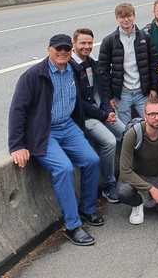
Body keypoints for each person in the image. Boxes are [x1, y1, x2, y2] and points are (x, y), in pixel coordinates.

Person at [8, 34, 102, 246]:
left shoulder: (74, 70)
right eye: (58, 48)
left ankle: (87, 210)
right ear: (49, 49)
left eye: (67, 49)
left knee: (92, 160)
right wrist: (16, 145)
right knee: (64, 169)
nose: (63, 52)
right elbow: (17, 111)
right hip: (43, 132)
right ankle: (73, 226)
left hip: (67, 126)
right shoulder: (33, 76)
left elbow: (80, 102)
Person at [72, 28, 126, 204]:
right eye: (83, 43)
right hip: (85, 118)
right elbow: (79, 103)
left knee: (126, 134)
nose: (87, 47)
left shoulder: (93, 63)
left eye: (89, 43)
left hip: (101, 113)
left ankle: (126, 176)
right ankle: (108, 184)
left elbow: (102, 92)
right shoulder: (71, 67)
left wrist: (108, 112)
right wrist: (104, 115)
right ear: (74, 44)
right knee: (109, 142)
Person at [117, 97, 158, 224]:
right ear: (145, 116)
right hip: (135, 175)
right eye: (152, 114)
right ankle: (138, 202)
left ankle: (148, 196)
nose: (156, 118)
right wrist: (152, 189)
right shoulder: (133, 134)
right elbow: (125, 172)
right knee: (123, 193)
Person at [98, 3, 158, 125]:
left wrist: (154, 88)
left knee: (150, 124)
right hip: (122, 95)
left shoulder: (145, 37)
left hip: (143, 92)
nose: (126, 20)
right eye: (122, 17)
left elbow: (154, 63)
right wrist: (110, 96)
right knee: (125, 129)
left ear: (134, 16)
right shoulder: (109, 41)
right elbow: (103, 70)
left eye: (129, 16)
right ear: (117, 19)